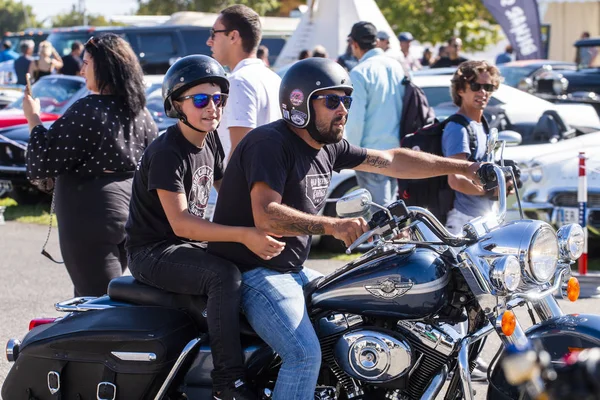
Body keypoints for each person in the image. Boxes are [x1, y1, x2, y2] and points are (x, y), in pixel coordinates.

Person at [208, 57, 481, 400]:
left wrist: (464, 167)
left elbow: (392, 160)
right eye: (332, 100)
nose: (343, 109)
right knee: (304, 354)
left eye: (346, 100)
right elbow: (266, 215)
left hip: (289, 269)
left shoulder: (328, 145)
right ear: (300, 104)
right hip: (255, 272)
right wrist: (333, 226)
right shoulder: (270, 144)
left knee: (358, 316)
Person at [125, 55, 283, 400]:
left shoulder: (210, 140)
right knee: (223, 276)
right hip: (152, 251)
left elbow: (229, 195)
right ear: (176, 105)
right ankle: (228, 381)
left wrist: (270, 222)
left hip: (183, 245)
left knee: (249, 264)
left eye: (218, 99)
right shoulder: (167, 152)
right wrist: (243, 235)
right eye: (200, 100)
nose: (212, 107)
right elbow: (181, 223)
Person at [23, 33, 158, 297]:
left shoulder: (88, 109)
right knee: (105, 297)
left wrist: (34, 119)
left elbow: (43, 160)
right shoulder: (140, 112)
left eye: (86, 63)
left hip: (90, 214)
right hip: (130, 212)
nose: (81, 69)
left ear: (105, 67)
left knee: (95, 304)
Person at [206, 4, 281, 161]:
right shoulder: (274, 79)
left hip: (246, 184)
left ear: (233, 36)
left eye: (213, 33)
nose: (209, 41)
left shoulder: (239, 81)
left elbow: (241, 151)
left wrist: (227, 186)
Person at [344, 21, 405, 208]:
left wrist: (350, 154)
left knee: (380, 216)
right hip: (398, 151)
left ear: (353, 44)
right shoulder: (396, 67)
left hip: (371, 154)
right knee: (393, 211)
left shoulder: (360, 72)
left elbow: (355, 120)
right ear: (377, 41)